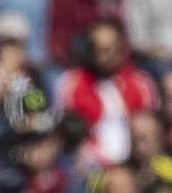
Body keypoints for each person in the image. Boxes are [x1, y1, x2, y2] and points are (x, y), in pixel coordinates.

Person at [54, 19, 159, 167]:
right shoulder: (72, 82)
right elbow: (62, 127)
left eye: (109, 49)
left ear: (122, 49)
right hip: (89, 164)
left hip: (134, 162)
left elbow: (151, 127)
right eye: (98, 49)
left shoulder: (140, 82)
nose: (103, 57)